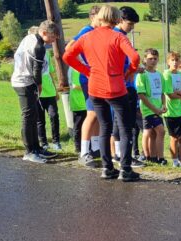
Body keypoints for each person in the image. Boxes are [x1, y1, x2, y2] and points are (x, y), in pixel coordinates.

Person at [63, 5, 142, 181]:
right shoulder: (118, 37)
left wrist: (86, 71)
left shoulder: (87, 36)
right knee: (125, 127)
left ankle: (107, 168)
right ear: (117, 19)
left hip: (94, 87)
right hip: (115, 87)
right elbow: (135, 58)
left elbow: (67, 56)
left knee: (104, 126)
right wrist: (129, 72)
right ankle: (126, 169)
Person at [11, 20, 59, 163]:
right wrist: (38, 85)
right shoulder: (38, 46)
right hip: (24, 82)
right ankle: (29, 151)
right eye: (52, 37)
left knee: (34, 116)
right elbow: (36, 69)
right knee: (28, 116)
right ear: (44, 33)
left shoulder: (30, 37)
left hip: (24, 80)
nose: (53, 41)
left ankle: (36, 148)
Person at [110, 6, 144, 168]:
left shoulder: (113, 35)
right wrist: (134, 70)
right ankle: (126, 157)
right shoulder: (119, 36)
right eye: (130, 24)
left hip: (119, 84)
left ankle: (118, 154)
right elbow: (124, 63)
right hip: (125, 85)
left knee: (118, 121)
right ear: (120, 20)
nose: (132, 28)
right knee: (127, 124)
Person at [68, 5, 100, 166]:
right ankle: (84, 152)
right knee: (92, 114)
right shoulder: (86, 30)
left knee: (99, 115)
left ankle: (95, 147)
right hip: (88, 78)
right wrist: (85, 68)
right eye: (100, 18)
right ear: (92, 17)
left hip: (99, 77)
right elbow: (69, 49)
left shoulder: (99, 32)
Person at [136, 48, 166, 164]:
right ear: (145, 60)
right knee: (155, 131)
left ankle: (154, 157)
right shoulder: (142, 75)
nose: (153, 61)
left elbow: (162, 93)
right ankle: (153, 156)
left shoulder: (159, 75)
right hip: (148, 109)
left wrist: (163, 105)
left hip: (158, 109)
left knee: (154, 133)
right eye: (150, 59)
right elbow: (141, 94)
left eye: (155, 58)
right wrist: (154, 109)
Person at [162, 51, 181, 167]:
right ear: (168, 62)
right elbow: (170, 94)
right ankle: (176, 162)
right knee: (173, 138)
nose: (175, 62)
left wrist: (178, 92)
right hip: (170, 112)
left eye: (177, 60)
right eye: (172, 60)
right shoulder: (166, 75)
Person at [37, 47, 61, 151]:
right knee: (40, 120)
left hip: (50, 92)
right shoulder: (31, 53)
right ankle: (44, 142)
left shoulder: (46, 52)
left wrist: (55, 90)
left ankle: (56, 142)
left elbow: (50, 72)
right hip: (38, 93)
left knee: (54, 116)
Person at [67, 66, 87, 154]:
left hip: (85, 101)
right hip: (78, 102)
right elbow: (75, 86)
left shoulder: (81, 68)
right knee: (78, 125)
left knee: (85, 125)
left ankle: (85, 146)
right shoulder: (74, 69)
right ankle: (78, 147)